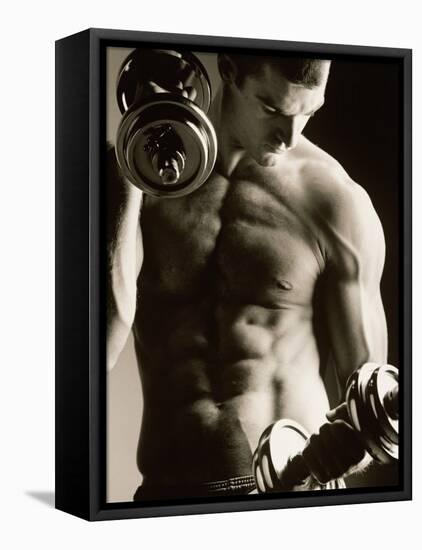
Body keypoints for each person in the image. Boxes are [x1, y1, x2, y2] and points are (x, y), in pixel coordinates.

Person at [106, 52, 387, 499]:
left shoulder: (335, 200)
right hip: (170, 496)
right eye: (272, 109)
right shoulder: (143, 183)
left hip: (294, 493)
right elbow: (99, 344)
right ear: (229, 71)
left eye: (309, 113)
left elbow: (372, 393)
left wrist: (354, 447)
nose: (289, 137)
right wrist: (133, 153)